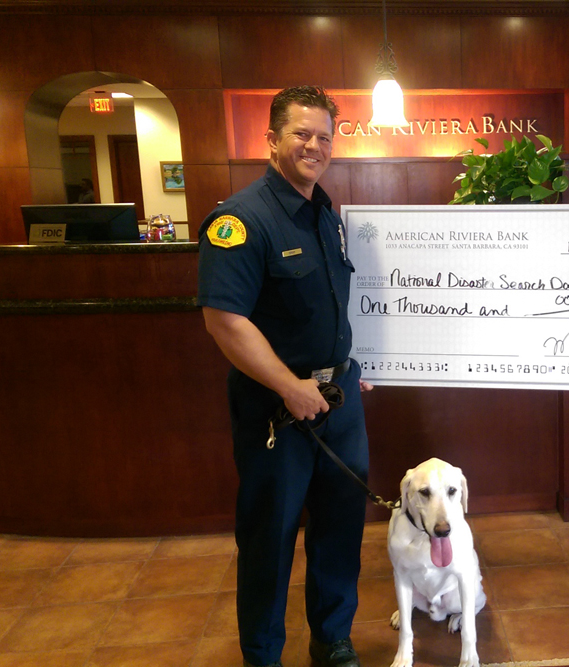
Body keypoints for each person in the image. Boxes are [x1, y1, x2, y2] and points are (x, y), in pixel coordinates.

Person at [198, 86, 372, 667]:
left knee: (340, 528)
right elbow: (224, 321)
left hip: (338, 402)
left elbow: (332, 306)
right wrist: (289, 386)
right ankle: (264, 656)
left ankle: (332, 638)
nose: (315, 146)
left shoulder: (328, 214)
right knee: (270, 540)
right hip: (277, 410)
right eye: (301, 134)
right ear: (271, 139)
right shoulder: (240, 220)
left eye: (325, 135)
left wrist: (352, 364)